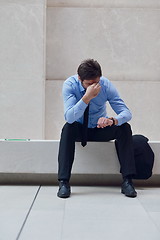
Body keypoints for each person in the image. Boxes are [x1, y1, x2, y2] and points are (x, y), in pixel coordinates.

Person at [57, 59, 137, 198]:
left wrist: (112, 120)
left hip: (99, 129)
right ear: (80, 78)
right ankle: (64, 182)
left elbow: (126, 113)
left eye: (96, 83)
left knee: (124, 127)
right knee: (68, 128)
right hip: (80, 129)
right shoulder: (70, 85)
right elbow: (69, 117)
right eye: (89, 84)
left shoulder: (105, 85)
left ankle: (128, 181)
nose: (94, 87)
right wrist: (86, 98)